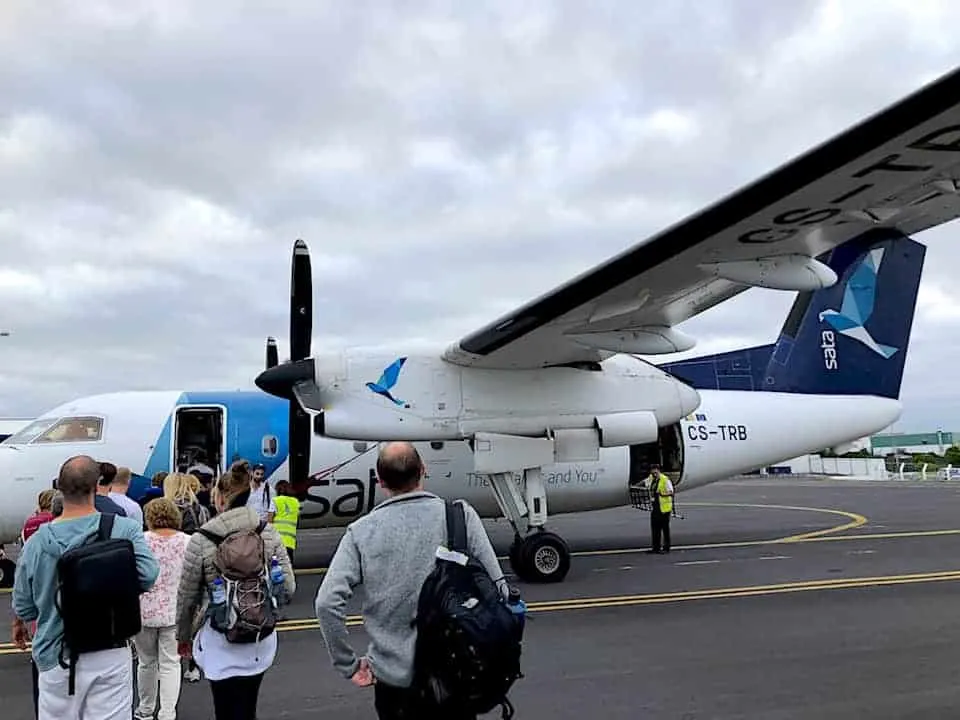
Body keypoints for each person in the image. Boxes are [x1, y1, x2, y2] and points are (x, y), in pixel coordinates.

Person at [315, 441, 507, 719]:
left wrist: (349, 665)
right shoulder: (460, 516)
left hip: (395, 683)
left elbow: (326, 603)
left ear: (380, 481)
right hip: (457, 673)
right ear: (423, 471)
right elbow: (498, 589)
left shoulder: (361, 532)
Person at [11, 455, 159, 720]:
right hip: (109, 649)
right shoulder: (124, 529)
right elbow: (148, 575)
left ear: (60, 487)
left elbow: (25, 607)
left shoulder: (37, 542)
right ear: (96, 485)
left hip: (57, 653)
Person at [176, 465, 295, 720]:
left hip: (221, 637)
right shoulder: (268, 532)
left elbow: (187, 598)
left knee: (225, 708)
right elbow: (289, 586)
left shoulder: (202, 539)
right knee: (248, 706)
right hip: (259, 638)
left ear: (219, 498)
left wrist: (183, 636)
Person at [133, 498, 191, 720]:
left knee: (146, 662)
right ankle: (167, 712)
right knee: (170, 664)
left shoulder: (140, 541)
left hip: (143, 611)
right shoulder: (187, 541)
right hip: (174, 611)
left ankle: (145, 709)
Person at [272, 480, 300, 567]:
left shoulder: (275, 501)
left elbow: (269, 520)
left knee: (275, 567)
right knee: (288, 567)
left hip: (276, 541)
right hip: (289, 541)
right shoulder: (295, 502)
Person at [647, 463, 674, 554]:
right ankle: (656, 548)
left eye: (655, 471)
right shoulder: (652, 479)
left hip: (664, 508)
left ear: (658, 470)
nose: (654, 473)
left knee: (665, 529)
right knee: (655, 528)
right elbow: (646, 483)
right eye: (652, 471)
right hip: (655, 507)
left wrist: (663, 494)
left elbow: (671, 492)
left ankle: (666, 547)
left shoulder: (665, 479)